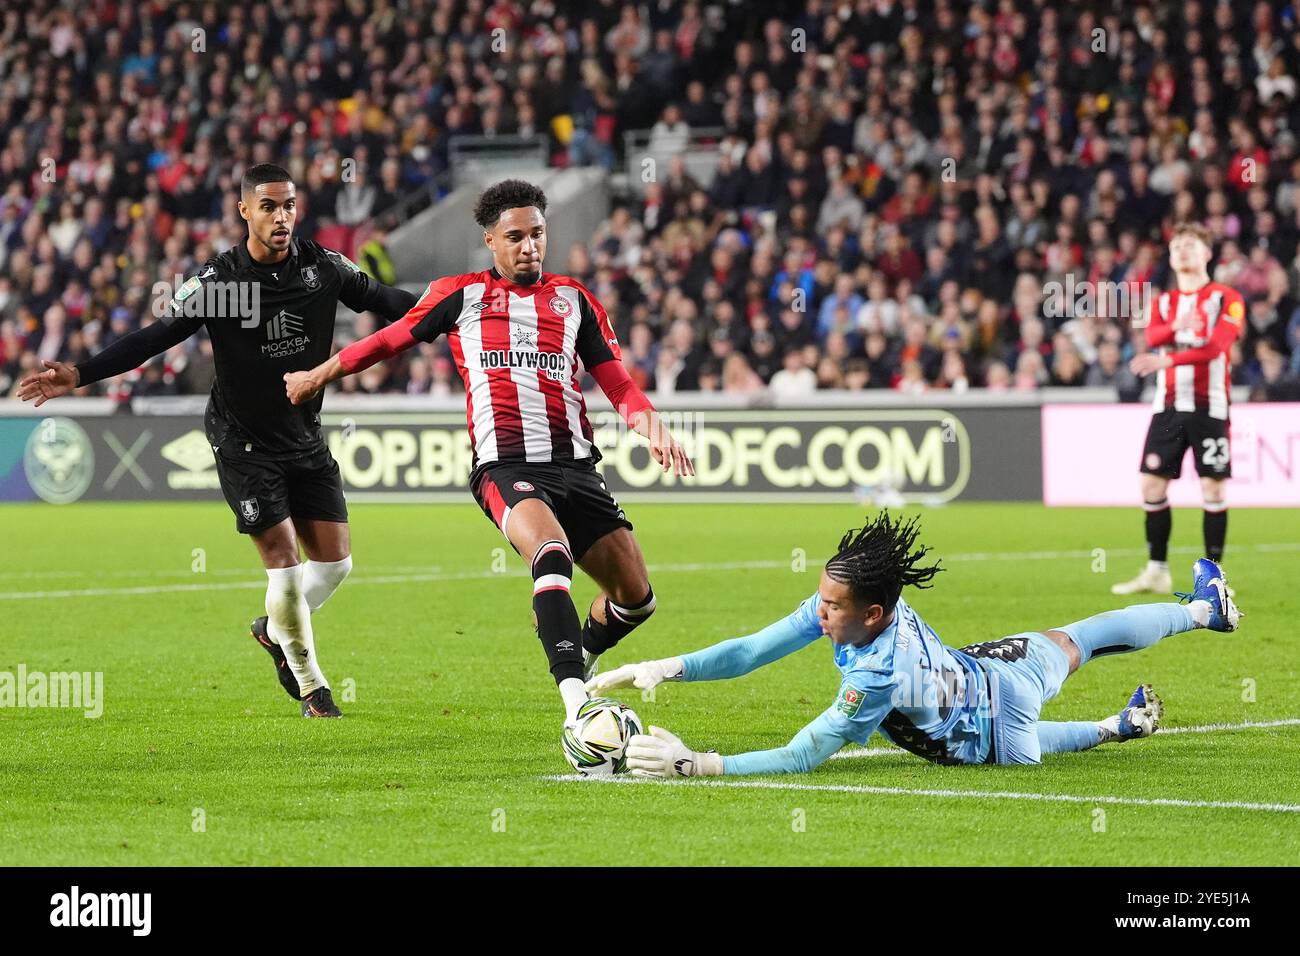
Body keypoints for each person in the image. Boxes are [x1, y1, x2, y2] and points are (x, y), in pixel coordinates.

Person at [284, 179, 694, 731]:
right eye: (516, 237)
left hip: (576, 467)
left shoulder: (575, 301)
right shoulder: (462, 294)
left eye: (538, 235)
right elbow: (386, 341)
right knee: (550, 555)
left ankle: (580, 655)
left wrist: (653, 427)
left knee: (637, 599)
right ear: (491, 241)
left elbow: (618, 386)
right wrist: (319, 374)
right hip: (505, 468)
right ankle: (576, 707)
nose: (530, 247)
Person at [17, 164, 418, 718]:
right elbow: (157, 335)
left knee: (335, 566)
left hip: (303, 435)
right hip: (242, 439)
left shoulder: (323, 268)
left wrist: (457, 309)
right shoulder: (221, 282)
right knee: (282, 561)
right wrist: (81, 374)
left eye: (289, 206)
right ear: (245, 211)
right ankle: (313, 688)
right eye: (269, 206)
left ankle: (271, 630)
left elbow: (392, 303)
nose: (282, 217)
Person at [585, 512, 1241, 778]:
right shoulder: (862, 608)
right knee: (1085, 638)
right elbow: (753, 650)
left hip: (983, 730)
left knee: (1031, 736)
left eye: (832, 605)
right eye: (820, 596)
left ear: (872, 614)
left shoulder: (877, 674)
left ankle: (1111, 726)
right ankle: (1205, 612)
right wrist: (665, 666)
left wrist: (698, 765)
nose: (819, 610)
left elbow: (806, 751)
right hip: (987, 666)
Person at [1113, 222, 1244, 596]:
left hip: (1209, 406)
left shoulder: (1227, 298)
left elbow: (1215, 348)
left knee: (1212, 485)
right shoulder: (1164, 303)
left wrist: (1168, 361)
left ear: (1206, 253)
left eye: (1190, 245)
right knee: (1152, 483)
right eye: (1176, 247)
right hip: (1167, 406)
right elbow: (1152, 335)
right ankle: (1157, 569)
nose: (1182, 251)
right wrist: (1176, 326)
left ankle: (1215, 576)